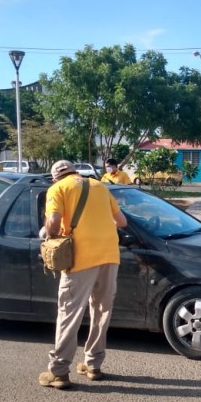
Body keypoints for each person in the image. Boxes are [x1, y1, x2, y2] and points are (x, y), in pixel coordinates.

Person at [38, 160, 128, 390]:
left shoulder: (57, 189)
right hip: (109, 254)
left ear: (55, 177)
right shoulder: (100, 186)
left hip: (81, 257)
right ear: (75, 171)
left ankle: (58, 372)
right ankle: (94, 365)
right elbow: (122, 221)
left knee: (69, 312)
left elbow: (54, 221)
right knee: (101, 310)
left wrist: (51, 235)